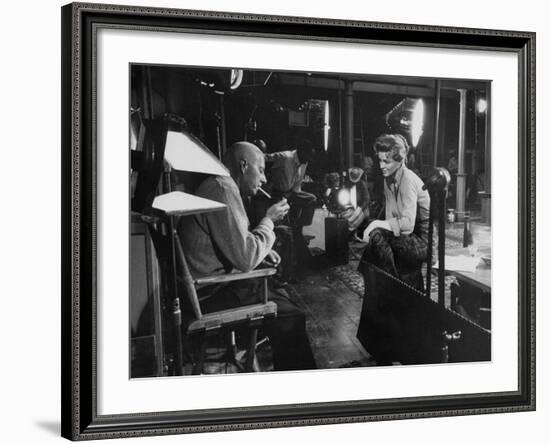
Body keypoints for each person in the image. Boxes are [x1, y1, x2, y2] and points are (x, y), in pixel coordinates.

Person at [178, 141, 316, 371]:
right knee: (291, 317)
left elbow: (235, 243)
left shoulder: (218, 184)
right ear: (243, 165)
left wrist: (262, 249)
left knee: (281, 295)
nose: (263, 179)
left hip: (211, 287)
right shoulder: (223, 188)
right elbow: (245, 257)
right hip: (211, 294)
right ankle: (302, 394)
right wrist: (269, 220)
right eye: (261, 170)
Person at [358, 134, 430, 289]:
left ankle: (394, 288)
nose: (381, 166)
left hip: (422, 240)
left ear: (400, 160)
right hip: (405, 236)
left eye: (387, 161)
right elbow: (391, 217)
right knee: (377, 238)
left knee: (376, 232)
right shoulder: (388, 178)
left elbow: (408, 225)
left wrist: (375, 225)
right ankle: (385, 286)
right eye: (380, 160)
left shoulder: (408, 179)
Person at [266, 139, 317, 236]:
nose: (309, 159)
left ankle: (298, 227)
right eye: (308, 156)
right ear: (301, 152)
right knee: (280, 222)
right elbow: (266, 157)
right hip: (278, 193)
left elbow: (298, 183)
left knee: (312, 199)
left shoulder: (304, 162)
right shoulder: (285, 157)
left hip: (293, 192)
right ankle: (282, 233)